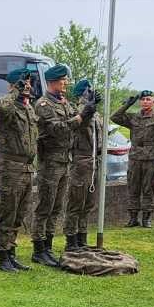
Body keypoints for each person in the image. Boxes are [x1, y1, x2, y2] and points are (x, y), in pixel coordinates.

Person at [31, 64, 81, 265]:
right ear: (52, 82)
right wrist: (79, 118)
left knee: (57, 207)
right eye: (62, 80)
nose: (66, 83)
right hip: (50, 162)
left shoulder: (64, 102)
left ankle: (48, 246)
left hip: (64, 160)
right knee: (45, 206)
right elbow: (57, 128)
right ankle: (38, 248)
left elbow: (76, 122)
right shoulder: (44, 105)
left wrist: (86, 112)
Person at [0, 67, 38, 272]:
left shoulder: (28, 108)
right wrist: (14, 91)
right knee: (7, 213)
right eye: (23, 82)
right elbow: (1, 108)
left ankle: (11, 252)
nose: (27, 86)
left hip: (26, 168)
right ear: (13, 85)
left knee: (19, 213)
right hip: (10, 168)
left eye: (28, 82)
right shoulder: (7, 106)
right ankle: (2, 256)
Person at [113, 90, 154, 227]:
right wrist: (127, 104)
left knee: (148, 188)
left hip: (151, 158)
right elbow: (115, 117)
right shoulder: (134, 117)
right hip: (135, 157)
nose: (145, 102)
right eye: (143, 99)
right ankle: (133, 218)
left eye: (148, 99)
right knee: (133, 187)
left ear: (153, 102)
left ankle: (146, 218)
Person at [62, 78, 103, 248]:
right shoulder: (79, 110)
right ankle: (71, 240)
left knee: (89, 203)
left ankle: (82, 238)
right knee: (76, 202)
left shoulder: (95, 112)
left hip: (94, 161)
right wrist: (88, 109)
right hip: (81, 161)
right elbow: (80, 123)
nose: (91, 92)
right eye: (88, 90)